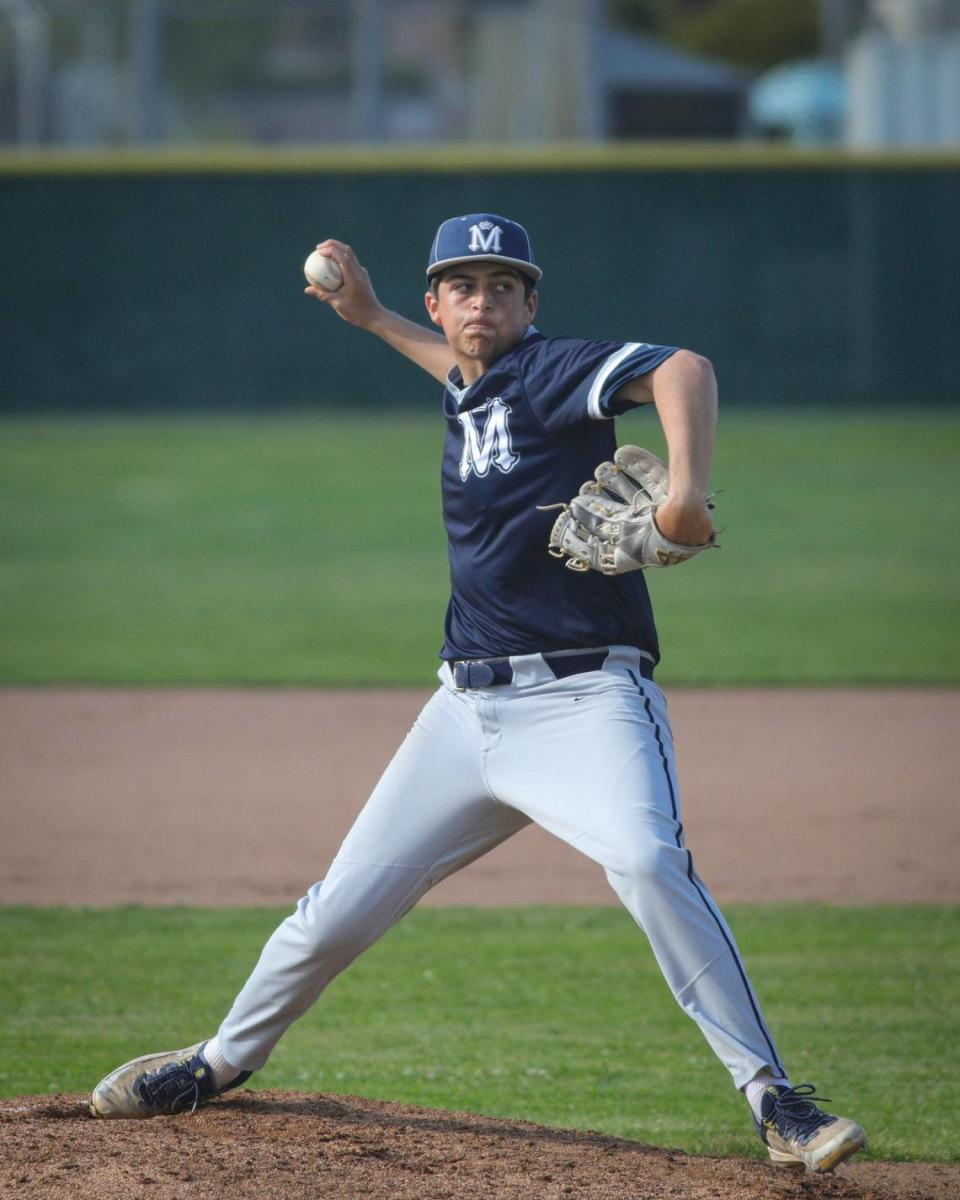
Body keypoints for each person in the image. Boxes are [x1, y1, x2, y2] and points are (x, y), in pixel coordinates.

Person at [90, 213, 866, 1173]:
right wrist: (371, 317)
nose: (481, 300)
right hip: (462, 715)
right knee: (334, 912)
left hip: (588, 704)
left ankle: (775, 1102)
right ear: (437, 301)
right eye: (463, 285)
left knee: (646, 861)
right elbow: (460, 375)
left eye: (503, 285)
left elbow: (686, 370)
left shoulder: (549, 371)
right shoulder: (475, 382)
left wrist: (686, 498)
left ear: (531, 304)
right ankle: (215, 1062)